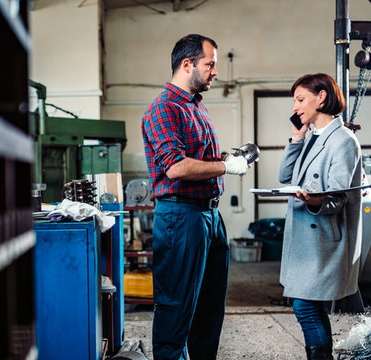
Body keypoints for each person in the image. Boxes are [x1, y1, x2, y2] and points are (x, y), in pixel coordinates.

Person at [141, 34, 248, 360]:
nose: (215, 71)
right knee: (176, 307)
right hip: (181, 217)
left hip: (209, 217)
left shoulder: (196, 107)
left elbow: (200, 160)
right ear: (187, 65)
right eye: (209, 64)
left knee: (209, 309)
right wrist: (226, 166)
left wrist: (226, 160)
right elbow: (175, 168)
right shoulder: (163, 109)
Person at [277, 73, 363, 360]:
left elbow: (337, 199)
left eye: (301, 100)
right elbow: (285, 177)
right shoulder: (312, 138)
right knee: (311, 306)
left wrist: (315, 200)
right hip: (306, 240)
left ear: (321, 97)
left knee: (304, 306)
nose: (296, 108)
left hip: (324, 240)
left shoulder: (343, 141)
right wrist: (296, 137)